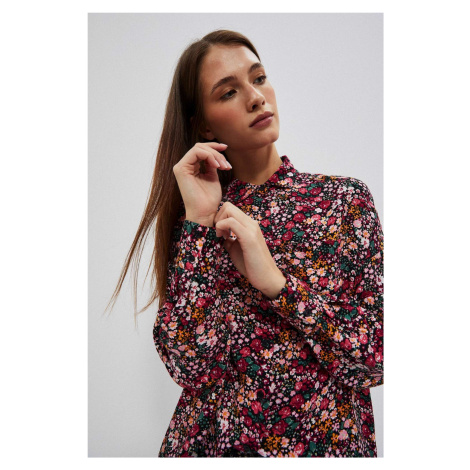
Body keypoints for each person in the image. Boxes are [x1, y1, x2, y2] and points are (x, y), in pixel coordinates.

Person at [106, 29, 383, 458]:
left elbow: (375, 359)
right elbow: (187, 365)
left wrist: (278, 285)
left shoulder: (343, 201)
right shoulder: (200, 226)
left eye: (259, 78)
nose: (255, 97)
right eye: (229, 92)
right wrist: (199, 219)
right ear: (203, 123)